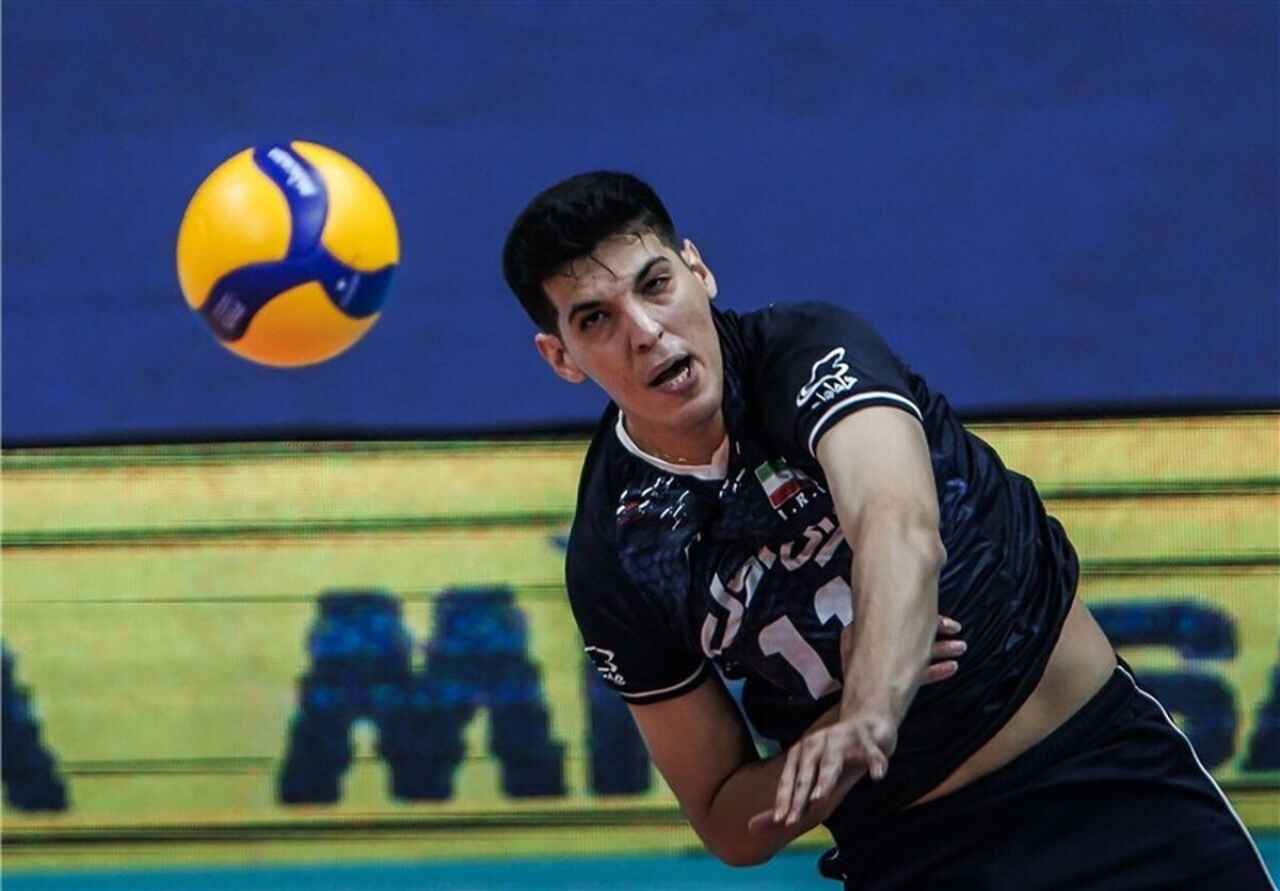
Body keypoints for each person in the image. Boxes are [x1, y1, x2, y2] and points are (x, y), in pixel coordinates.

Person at [501, 171, 1275, 889]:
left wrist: (873, 707)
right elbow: (725, 818)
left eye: (656, 284)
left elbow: (897, 526)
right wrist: (837, 736)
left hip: (1109, 784)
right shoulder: (617, 551)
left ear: (698, 271)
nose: (645, 330)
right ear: (560, 356)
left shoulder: (810, 353)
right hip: (913, 858)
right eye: (596, 319)